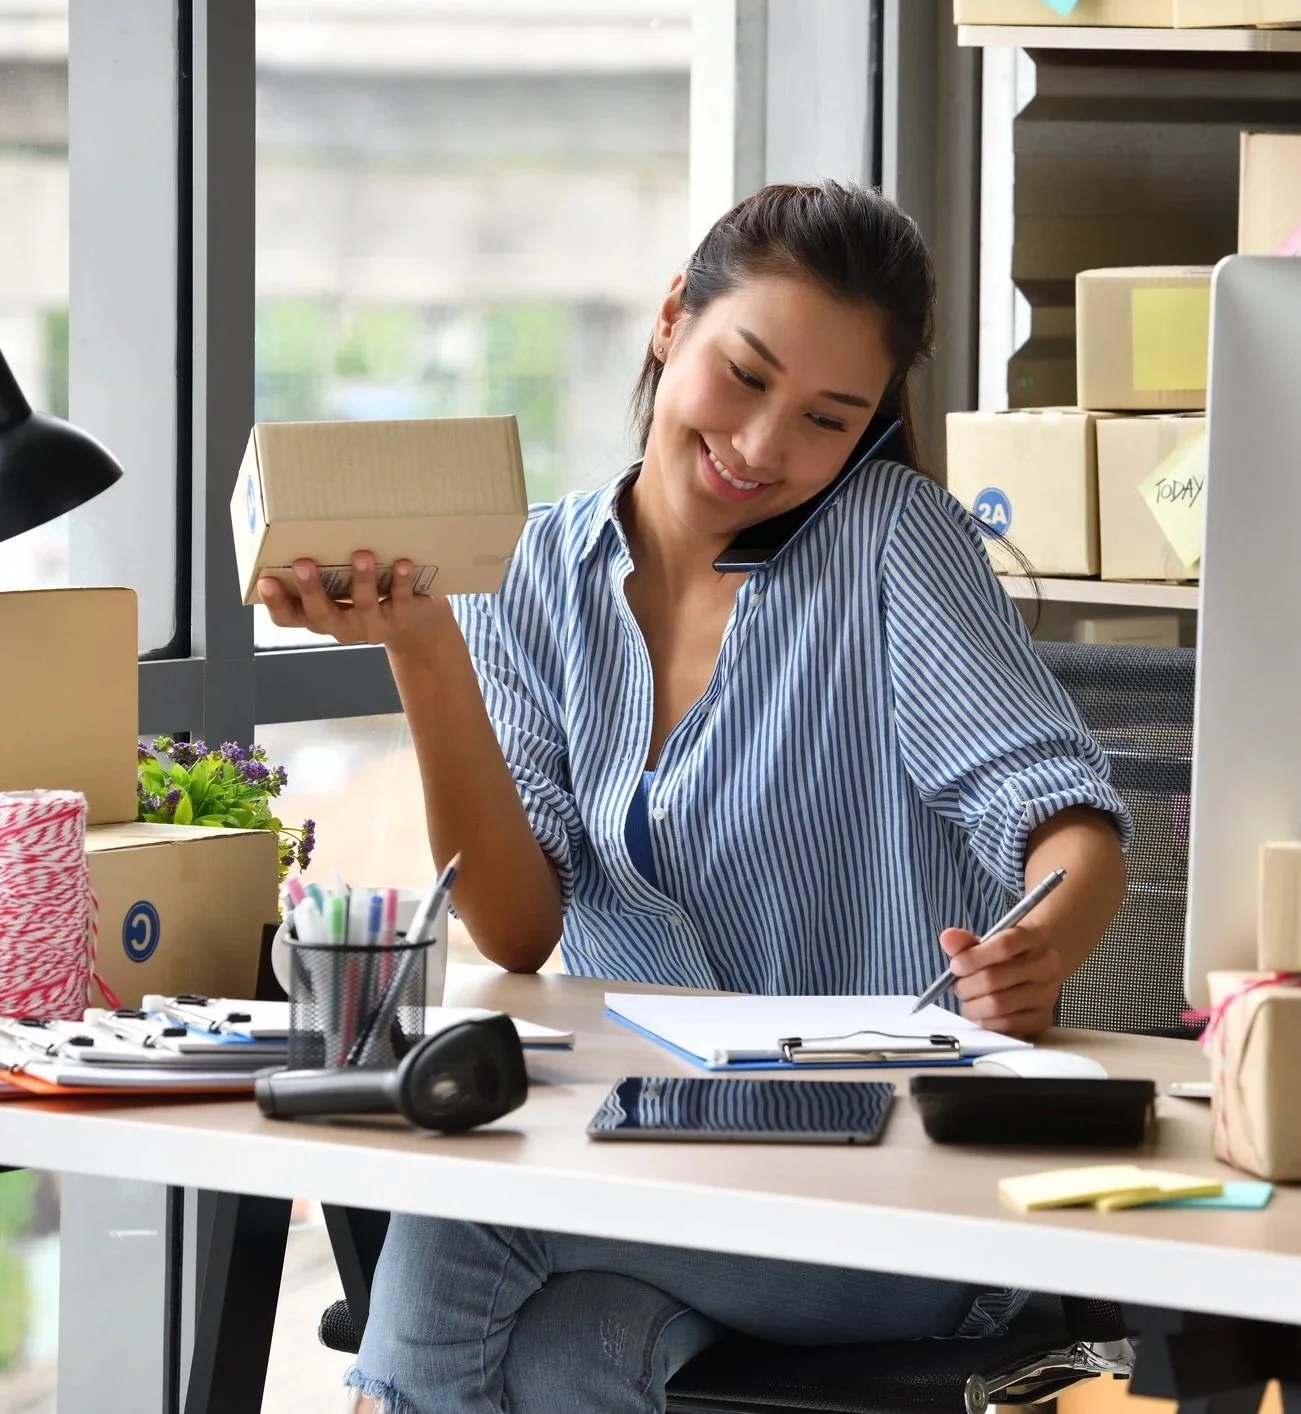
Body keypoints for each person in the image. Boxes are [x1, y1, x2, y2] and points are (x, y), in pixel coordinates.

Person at [260, 180, 1129, 1414]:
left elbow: (1064, 819)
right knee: (573, 1349)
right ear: (674, 317)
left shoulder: (892, 540)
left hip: (896, 1192)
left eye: (828, 419)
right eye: (746, 375)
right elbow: (517, 925)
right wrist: (423, 646)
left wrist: (1043, 941)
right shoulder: (537, 572)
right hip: (659, 1169)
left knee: (468, 1219)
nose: (766, 445)